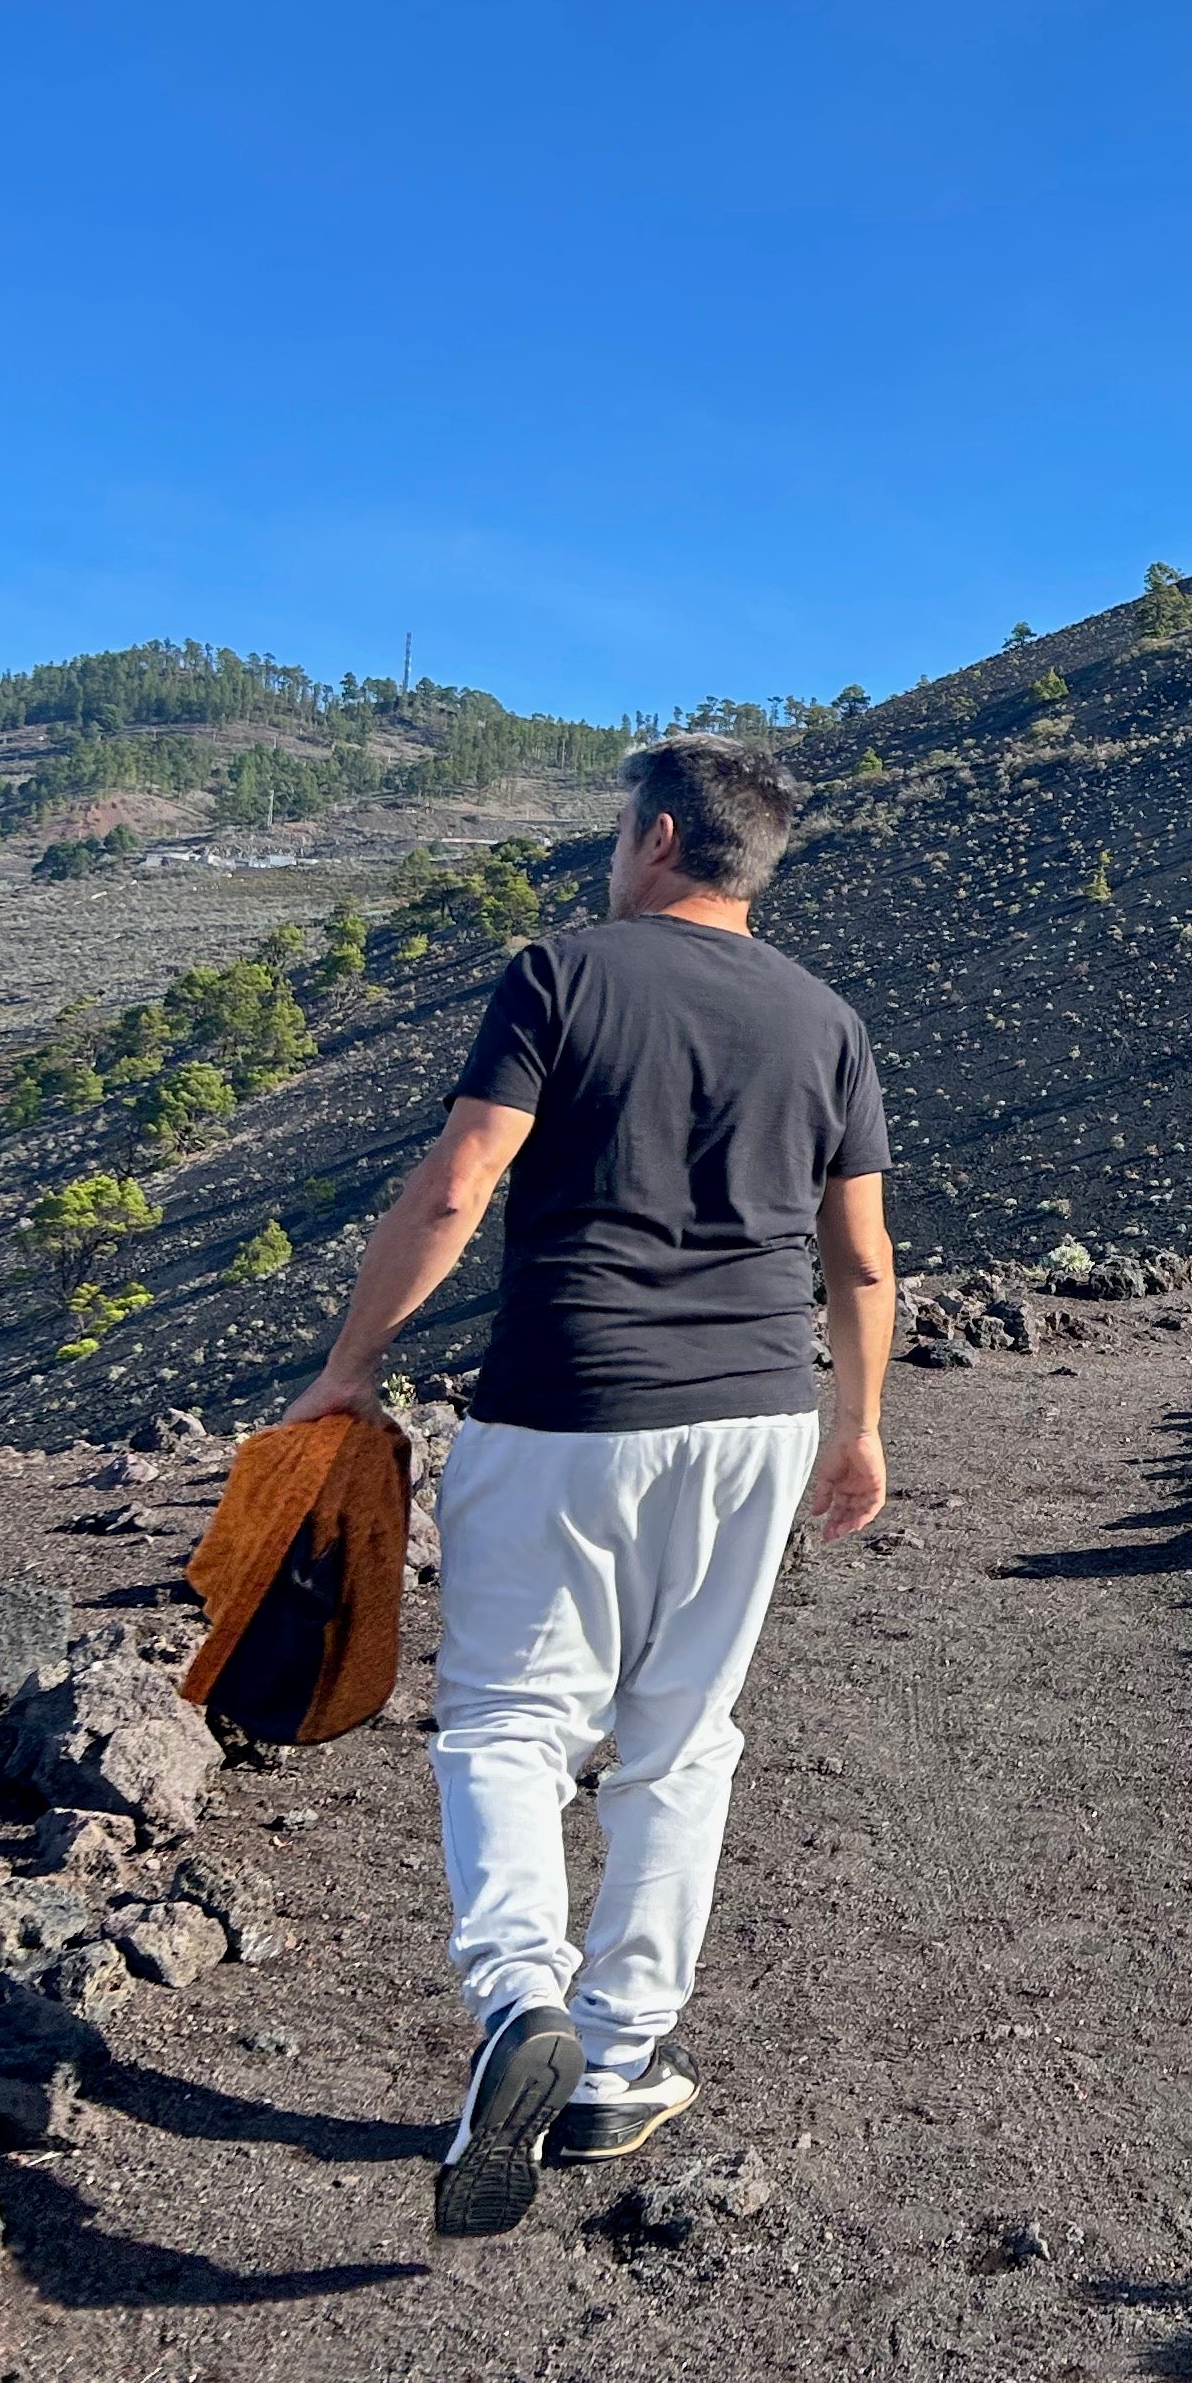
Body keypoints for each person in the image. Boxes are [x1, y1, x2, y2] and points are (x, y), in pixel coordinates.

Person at [287, 737, 895, 2238]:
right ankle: (620, 2061)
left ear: (659, 837)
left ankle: (516, 2001)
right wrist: (860, 1425)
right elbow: (863, 1259)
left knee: (506, 1720)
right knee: (681, 1742)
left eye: (619, 829)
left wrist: (350, 1367)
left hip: (566, 1403)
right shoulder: (826, 1022)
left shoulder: (565, 972)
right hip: (757, 1416)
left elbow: (456, 1183)